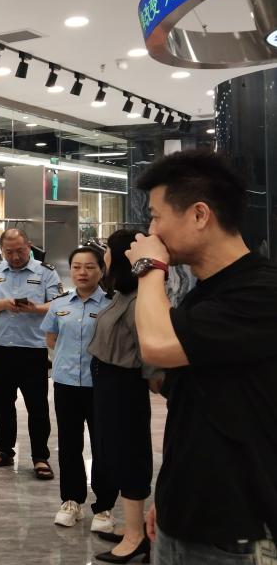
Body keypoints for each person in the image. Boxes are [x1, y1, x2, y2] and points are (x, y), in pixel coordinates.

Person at [126, 150, 277, 564]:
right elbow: (195, 414)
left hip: (237, 534)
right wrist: (169, 499)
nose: (151, 230)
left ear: (198, 214)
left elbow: (157, 345)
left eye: (156, 217)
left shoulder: (262, 292)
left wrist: (149, 266)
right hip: (182, 520)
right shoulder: (201, 297)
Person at [87, 230, 159, 563]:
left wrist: (157, 383)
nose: (102, 256)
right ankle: (131, 525)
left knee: (129, 455)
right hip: (107, 383)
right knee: (112, 453)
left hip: (124, 386)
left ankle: (135, 537)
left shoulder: (138, 301)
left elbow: (149, 352)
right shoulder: (120, 294)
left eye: (107, 251)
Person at [41, 246, 116, 530]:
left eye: (90, 267)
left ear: (101, 270)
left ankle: (104, 506)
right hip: (66, 383)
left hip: (101, 385)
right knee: (69, 444)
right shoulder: (59, 304)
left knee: (103, 445)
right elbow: (51, 338)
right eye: (76, 267)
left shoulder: (112, 304)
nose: (82, 272)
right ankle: (71, 501)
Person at [0, 228, 62, 480]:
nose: (15, 257)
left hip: (32, 351)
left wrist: (34, 309)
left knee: (37, 407)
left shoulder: (45, 272)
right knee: (2, 404)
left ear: (29, 246)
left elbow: (58, 304)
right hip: (0, 350)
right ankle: (3, 451)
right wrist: (6, 303)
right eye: (9, 252)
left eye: (20, 251)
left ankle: (40, 457)